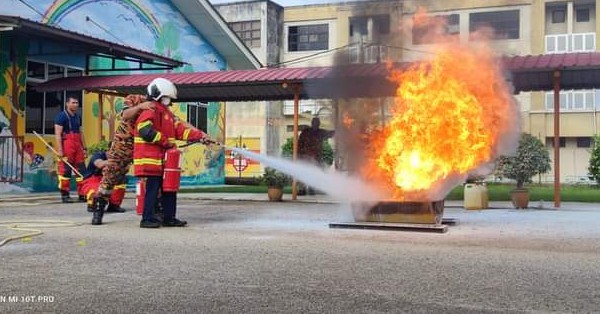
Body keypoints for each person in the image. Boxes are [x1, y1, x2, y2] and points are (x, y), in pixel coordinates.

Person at [134, 78, 209, 228]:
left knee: (170, 187)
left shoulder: (166, 113)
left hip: (164, 159)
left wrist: (200, 136)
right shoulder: (150, 111)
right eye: (166, 97)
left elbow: (181, 131)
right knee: (153, 189)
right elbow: (144, 130)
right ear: (158, 95)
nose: (168, 100)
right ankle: (146, 219)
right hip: (151, 159)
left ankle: (169, 218)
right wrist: (165, 141)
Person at [93, 95, 154, 201]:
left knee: (151, 177)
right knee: (111, 176)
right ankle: (98, 208)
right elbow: (125, 114)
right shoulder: (133, 99)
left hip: (143, 146)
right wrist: (140, 106)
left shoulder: (160, 107)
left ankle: (152, 211)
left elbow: (175, 121)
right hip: (123, 146)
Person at [80, 144, 128, 225]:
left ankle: (114, 205)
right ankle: (92, 204)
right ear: (109, 150)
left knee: (122, 180)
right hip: (92, 180)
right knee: (97, 190)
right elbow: (100, 164)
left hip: (107, 179)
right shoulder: (98, 155)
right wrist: (115, 161)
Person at [54, 96, 86, 203]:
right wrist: (60, 150)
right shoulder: (61, 116)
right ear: (67, 104)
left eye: (77, 103)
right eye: (73, 103)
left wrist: (84, 148)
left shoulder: (78, 117)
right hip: (67, 145)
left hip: (78, 146)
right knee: (66, 171)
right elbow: (58, 134)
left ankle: (82, 194)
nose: (76, 105)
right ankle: (65, 195)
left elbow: (81, 133)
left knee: (81, 171)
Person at [297, 117, 335, 195]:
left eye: (317, 123)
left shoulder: (320, 132)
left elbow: (330, 134)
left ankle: (311, 189)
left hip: (315, 158)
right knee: (303, 172)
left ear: (319, 124)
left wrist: (340, 129)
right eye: (315, 122)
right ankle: (302, 189)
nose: (316, 124)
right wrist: (299, 155)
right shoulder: (305, 132)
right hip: (305, 157)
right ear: (312, 123)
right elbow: (299, 143)